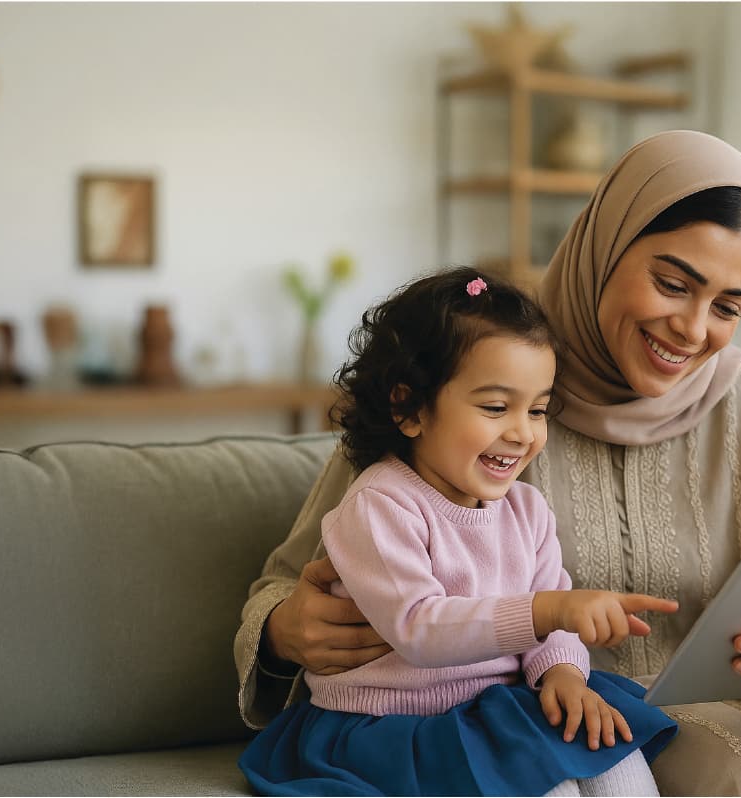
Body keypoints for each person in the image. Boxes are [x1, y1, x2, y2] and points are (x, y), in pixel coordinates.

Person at [237, 131, 741, 795]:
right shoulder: (468, 382)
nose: (692, 328)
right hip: (571, 718)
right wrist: (283, 631)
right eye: (672, 283)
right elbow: (291, 579)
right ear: (606, 245)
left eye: (727, 306)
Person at [238, 267, 681, 796]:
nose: (521, 432)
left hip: (487, 710)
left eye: (537, 410)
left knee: (615, 762)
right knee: (552, 788)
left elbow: (555, 609)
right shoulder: (380, 506)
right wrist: (545, 612)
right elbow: (419, 629)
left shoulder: (527, 509)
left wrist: (561, 672)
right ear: (409, 408)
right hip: (392, 729)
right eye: (496, 407)